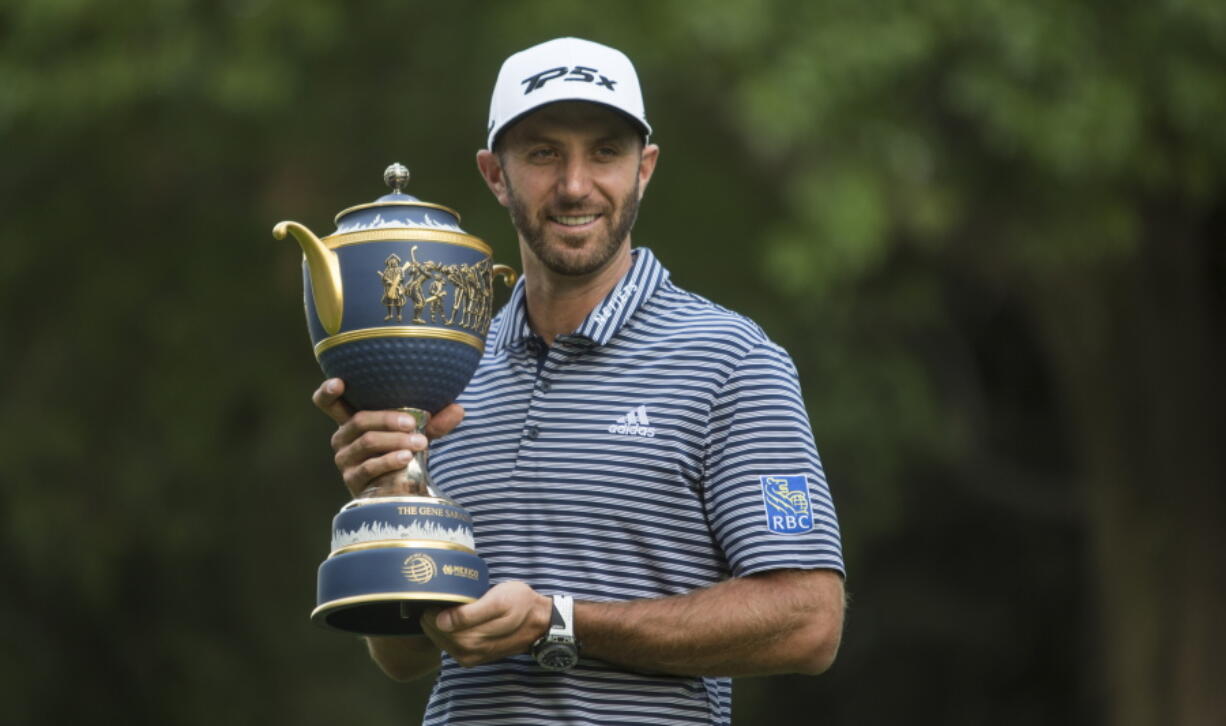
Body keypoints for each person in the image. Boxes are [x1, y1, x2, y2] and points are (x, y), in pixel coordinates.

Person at [312, 37, 845, 725]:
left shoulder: (732, 360)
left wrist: (558, 622)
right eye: (542, 153)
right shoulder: (447, 372)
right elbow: (404, 658)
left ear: (644, 168)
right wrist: (390, 509)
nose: (573, 184)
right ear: (494, 174)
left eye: (605, 151)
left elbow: (808, 621)